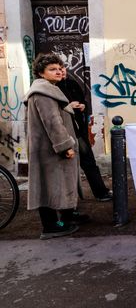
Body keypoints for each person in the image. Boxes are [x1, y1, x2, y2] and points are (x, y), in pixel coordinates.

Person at [24, 53, 88, 240]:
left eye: (60, 68)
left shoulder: (48, 89)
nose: (59, 71)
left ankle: (63, 220)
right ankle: (52, 226)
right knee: (48, 187)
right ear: (41, 73)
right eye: (52, 69)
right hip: (51, 150)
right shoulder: (43, 93)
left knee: (52, 185)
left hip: (47, 148)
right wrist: (64, 146)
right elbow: (52, 122)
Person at [57, 66, 112, 202]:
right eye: (56, 69)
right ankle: (67, 202)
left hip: (79, 130)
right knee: (65, 167)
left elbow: (83, 100)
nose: (61, 71)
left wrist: (83, 106)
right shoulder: (53, 89)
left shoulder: (72, 83)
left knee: (88, 161)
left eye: (62, 68)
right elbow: (55, 110)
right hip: (63, 131)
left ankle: (101, 192)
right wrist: (70, 106)